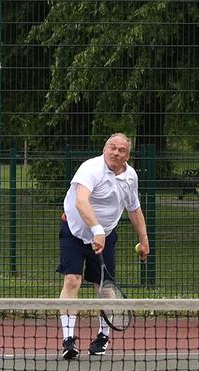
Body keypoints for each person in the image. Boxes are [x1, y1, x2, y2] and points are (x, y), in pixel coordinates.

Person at [57, 133, 149, 359]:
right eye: (112, 147)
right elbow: (81, 200)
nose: (116, 153)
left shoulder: (130, 177)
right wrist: (96, 230)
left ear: (128, 155)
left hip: (106, 236)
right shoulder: (91, 168)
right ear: (105, 148)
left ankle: (103, 336)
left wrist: (144, 239)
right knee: (72, 279)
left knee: (104, 287)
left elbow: (134, 208)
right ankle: (68, 339)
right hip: (75, 232)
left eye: (121, 150)